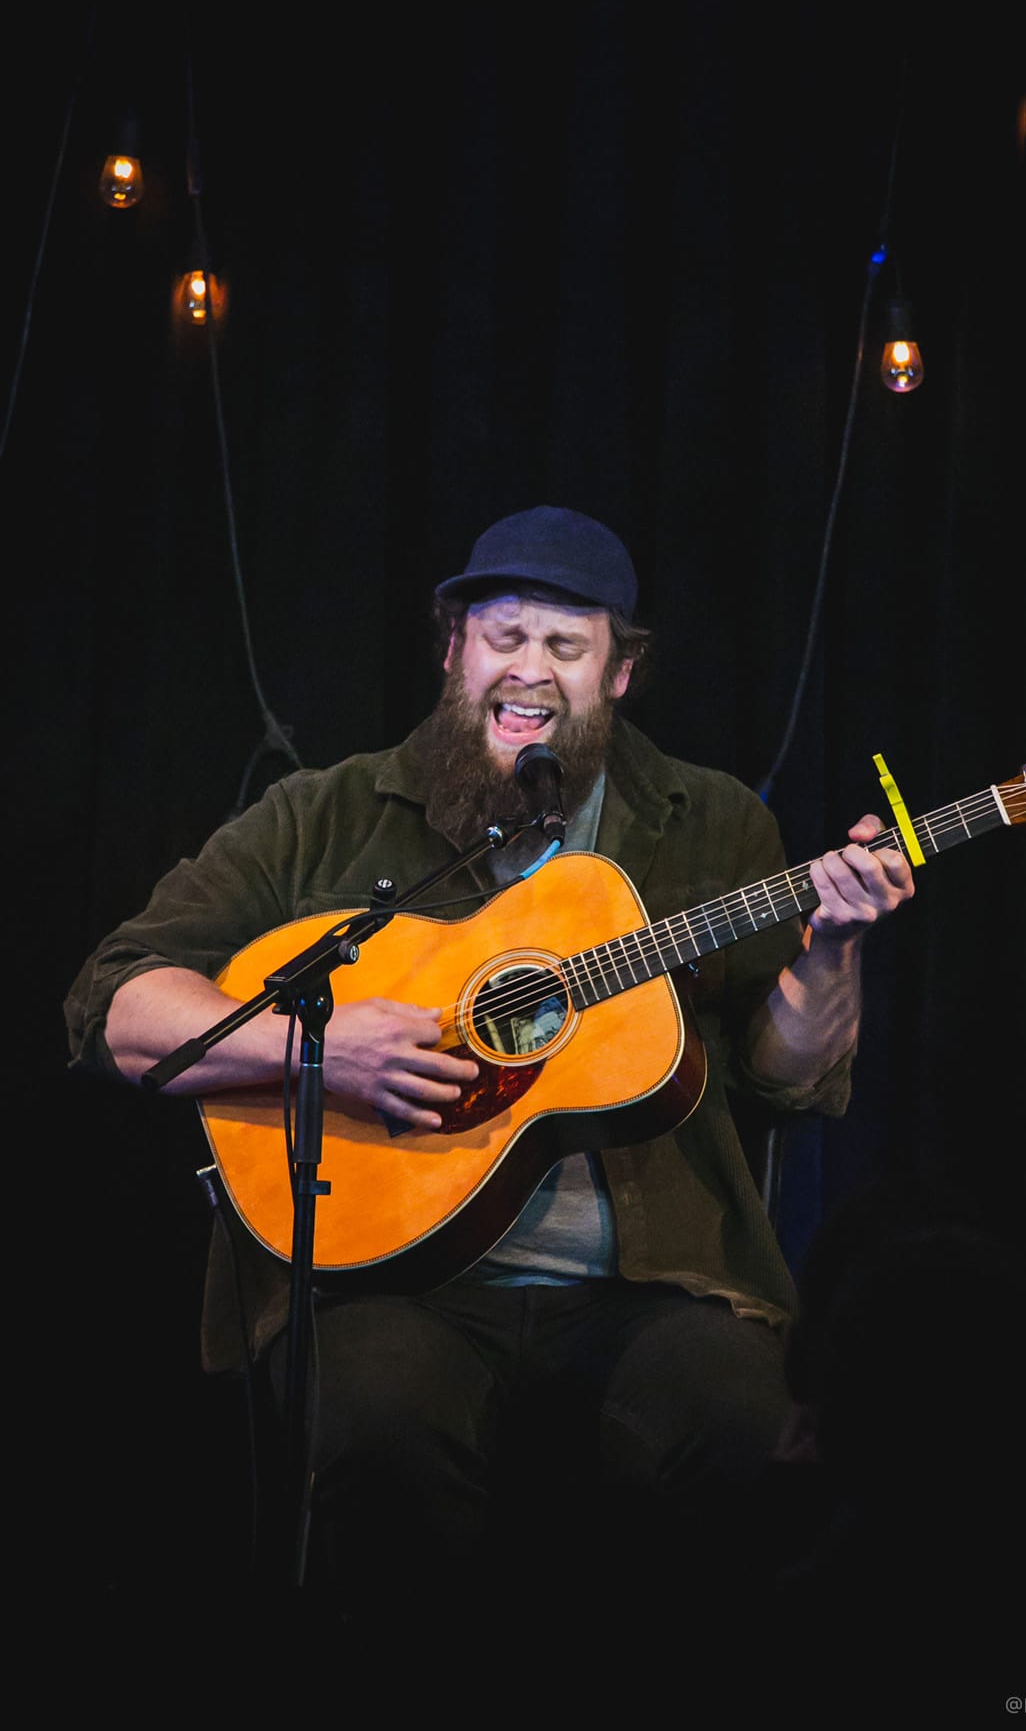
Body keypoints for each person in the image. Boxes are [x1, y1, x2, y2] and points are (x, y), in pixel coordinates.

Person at [64, 504, 914, 1629]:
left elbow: (785, 1078)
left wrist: (836, 947)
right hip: (388, 1283)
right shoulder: (323, 817)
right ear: (453, 649)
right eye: (504, 635)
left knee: (753, 1437)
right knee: (378, 1432)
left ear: (619, 674)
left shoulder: (706, 828)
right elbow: (115, 1001)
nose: (532, 670)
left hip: (648, 1291)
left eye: (568, 645)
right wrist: (323, 1046)